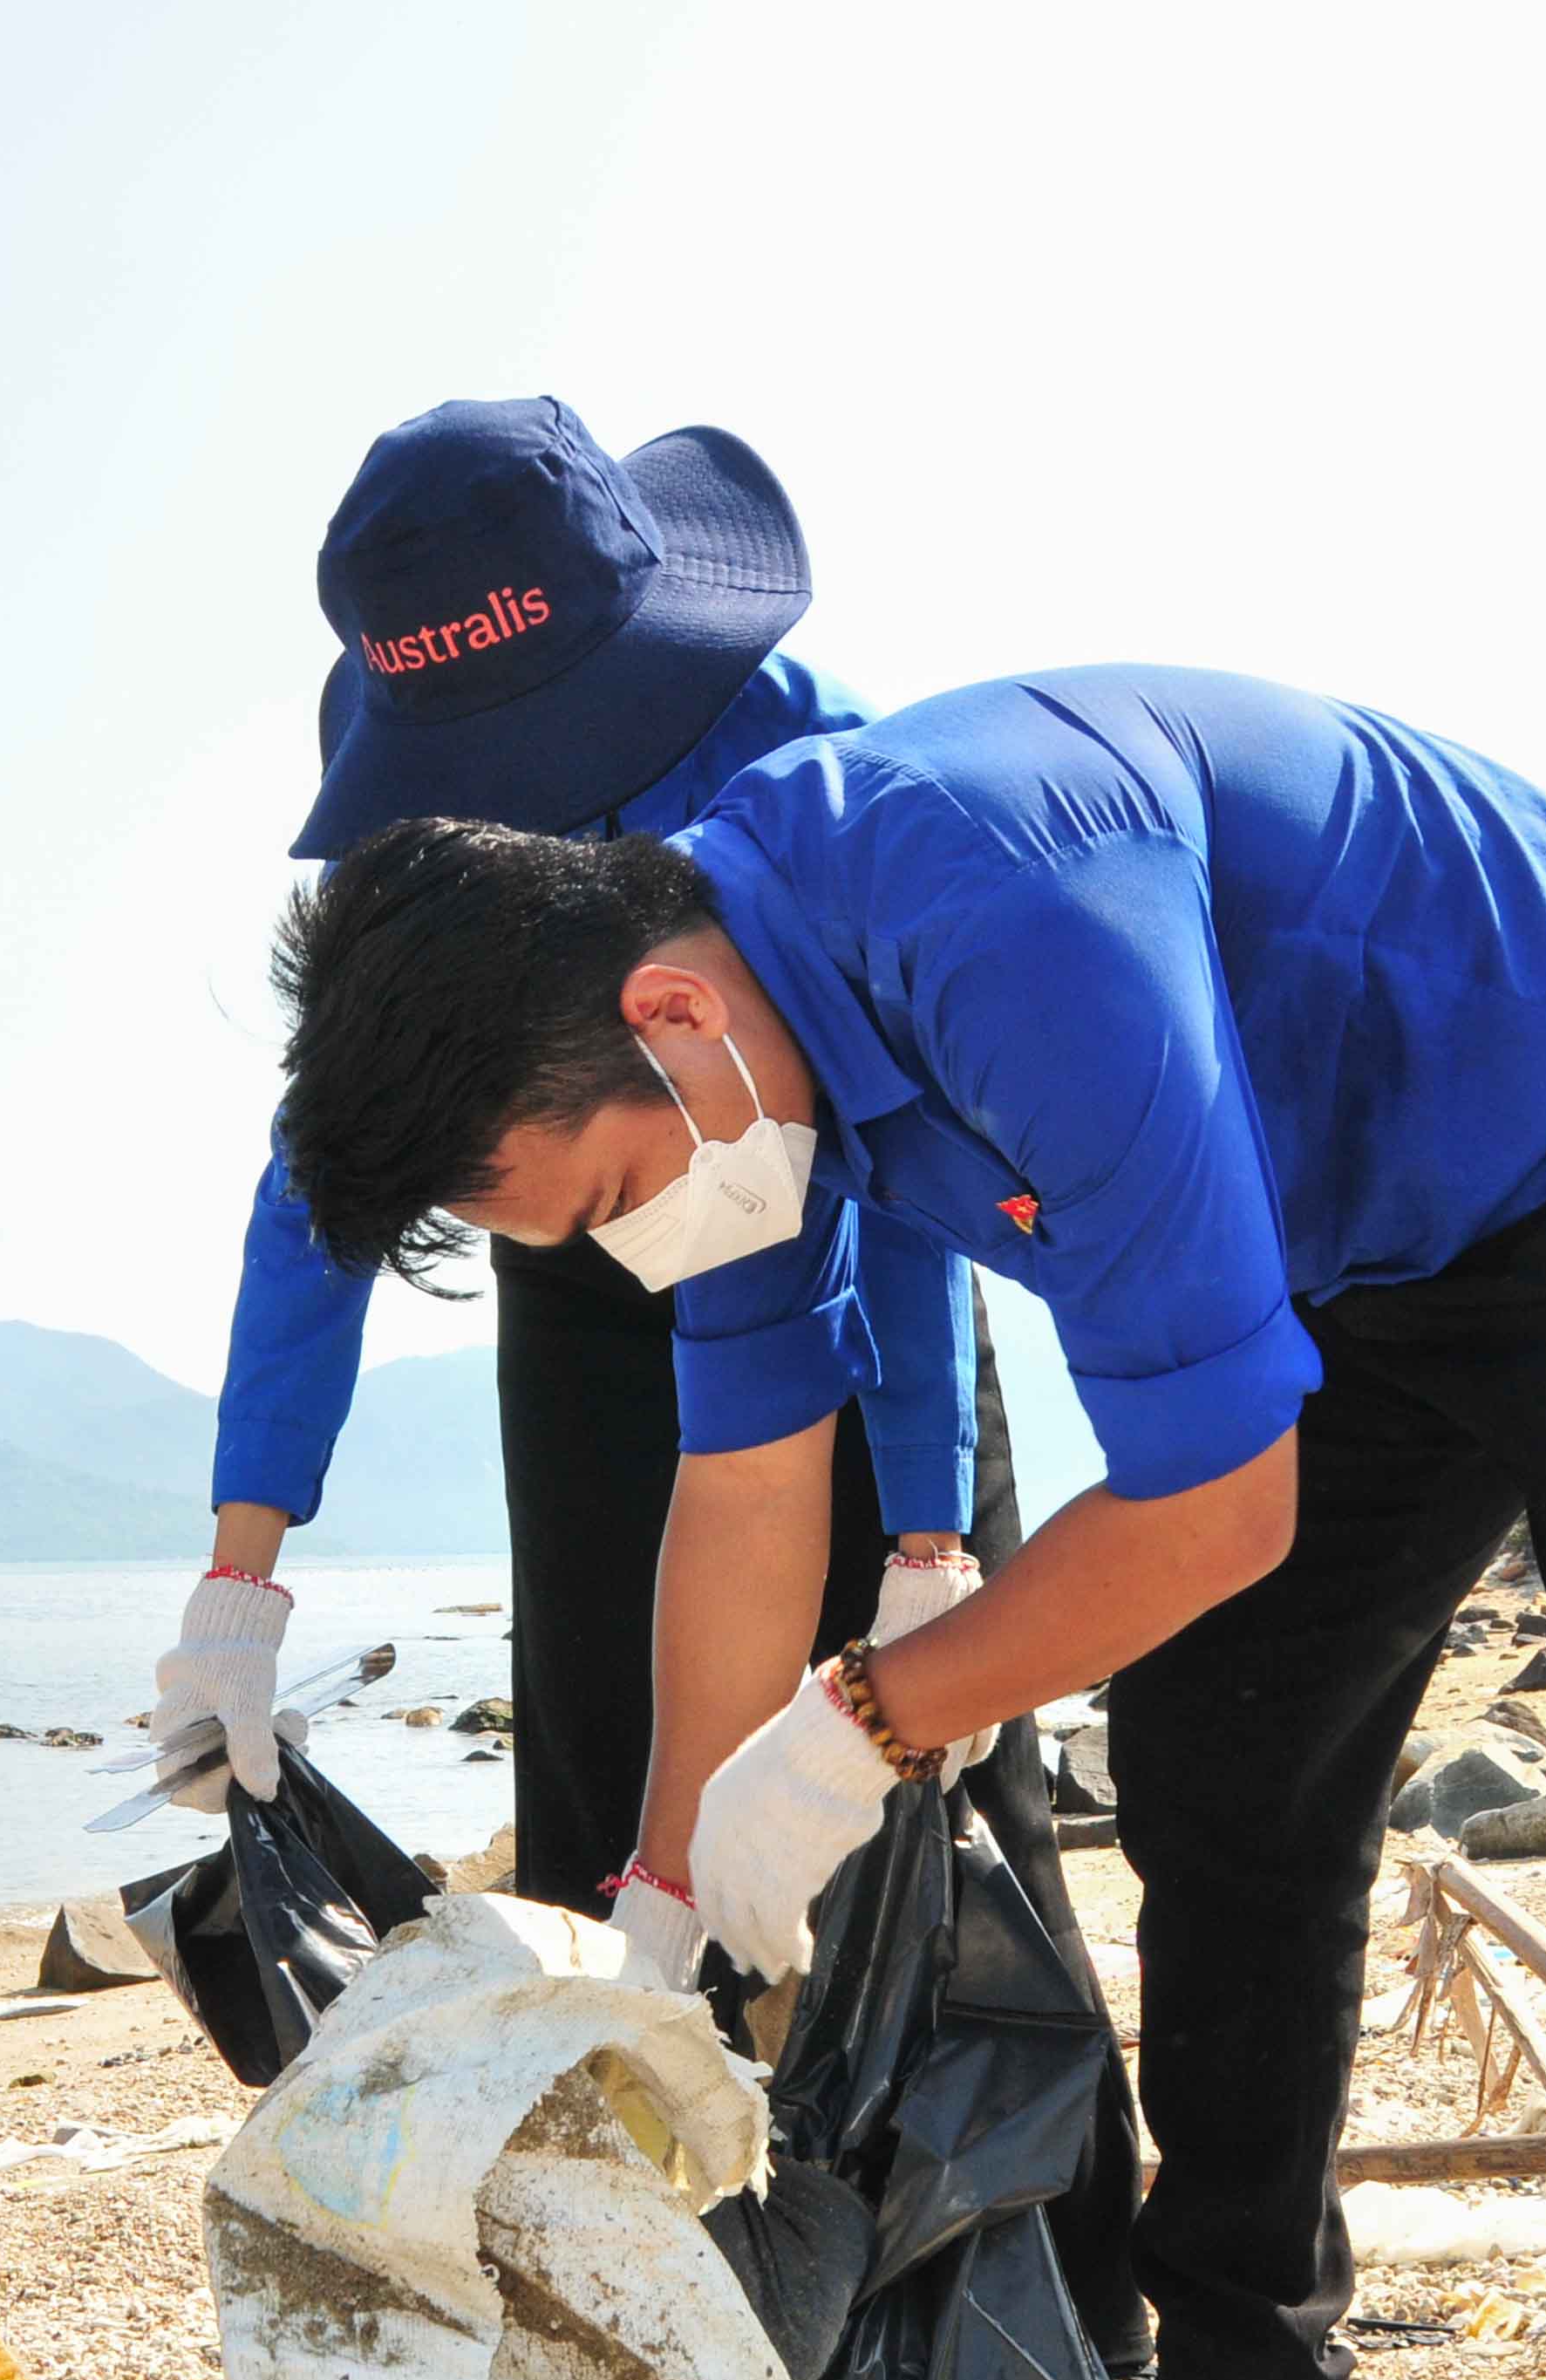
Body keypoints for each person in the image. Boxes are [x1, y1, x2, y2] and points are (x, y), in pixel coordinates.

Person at [261, 668, 1546, 2380]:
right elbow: (743, 1492)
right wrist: (663, 1887)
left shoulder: (997, 904)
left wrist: (865, 1723)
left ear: (670, 1016)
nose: (644, 1245)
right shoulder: (737, 1073)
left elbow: (1216, 1506)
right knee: (1221, 1761)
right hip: (1364, 1261)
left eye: (618, 1196)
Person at [160, 402, 1104, 2059]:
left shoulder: (805, 758)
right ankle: (663, 2207)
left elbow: (875, 1138)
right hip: (580, 1253)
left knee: (943, 1784)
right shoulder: (414, 818)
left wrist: (931, 1534)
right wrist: (241, 1582)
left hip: (839, 1206)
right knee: (610, 1766)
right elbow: (328, 1164)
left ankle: (1052, 2284)